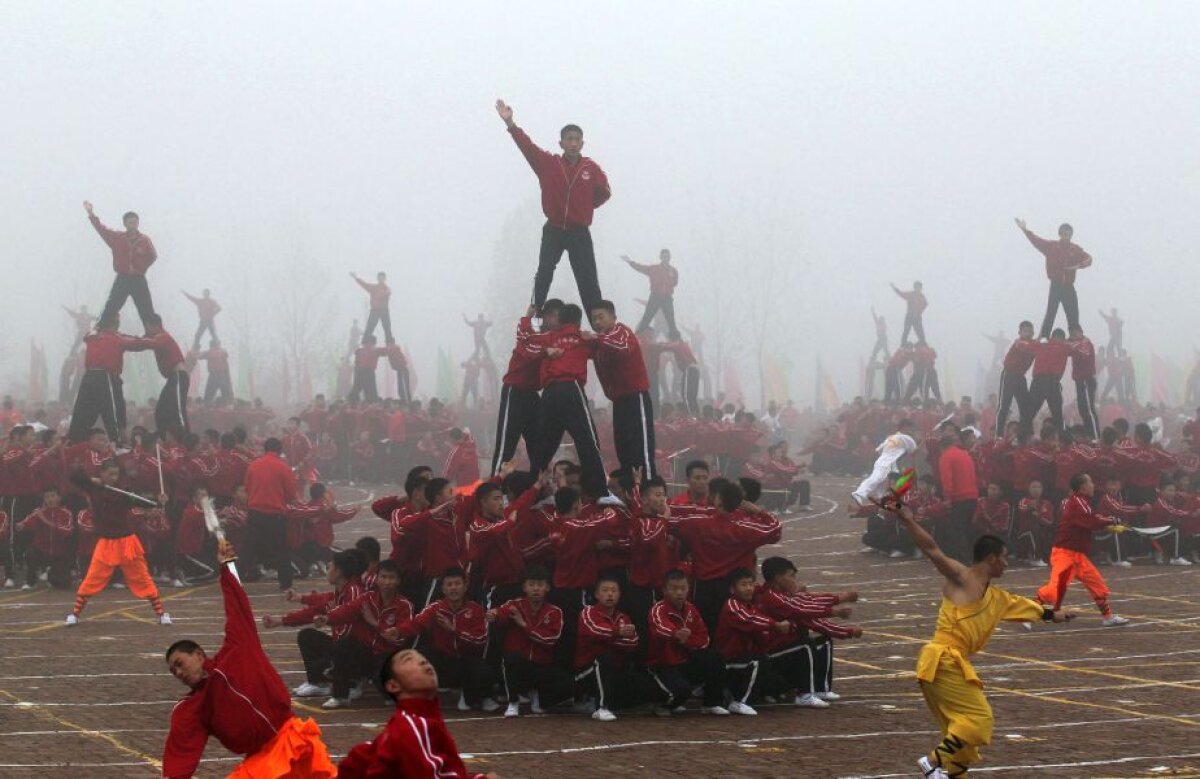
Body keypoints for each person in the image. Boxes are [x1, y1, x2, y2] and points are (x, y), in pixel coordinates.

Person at [892, 501, 1074, 779]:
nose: (1007, 563)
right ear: (991, 559)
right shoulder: (962, 578)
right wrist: (908, 520)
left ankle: (948, 770)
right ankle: (932, 762)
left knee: (962, 744)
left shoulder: (997, 596)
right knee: (979, 720)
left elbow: (1024, 607)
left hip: (947, 665)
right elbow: (932, 550)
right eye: (1004, 557)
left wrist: (1054, 616)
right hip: (942, 661)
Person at [162, 542, 336, 779]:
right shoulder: (191, 707)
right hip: (260, 761)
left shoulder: (237, 649)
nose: (178, 672)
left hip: (291, 741)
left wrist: (228, 566)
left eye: (180, 663)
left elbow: (237, 605)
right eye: (173, 671)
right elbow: (180, 753)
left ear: (199, 655)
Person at [496, 98, 611, 313]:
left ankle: (600, 325)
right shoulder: (548, 164)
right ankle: (536, 313)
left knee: (588, 278)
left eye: (577, 139)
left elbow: (605, 193)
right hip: (554, 229)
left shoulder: (591, 168)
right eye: (569, 139)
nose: (573, 143)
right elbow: (527, 147)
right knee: (545, 271)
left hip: (579, 232)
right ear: (561, 143)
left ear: (583, 143)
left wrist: (585, 207)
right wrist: (510, 124)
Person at [338, 649, 500, 779]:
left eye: (423, 658)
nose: (423, 661)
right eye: (408, 659)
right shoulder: (413, 726)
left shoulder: (412, 722)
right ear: (393, 685)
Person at [65, 462, 170, 625]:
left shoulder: (123, 491)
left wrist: (158, 500)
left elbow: (143, 502)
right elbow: (73, 474)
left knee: (142, 577)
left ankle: (161, 614)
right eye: (110, 474)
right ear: (102, 473)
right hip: (106, 543)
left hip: (127, 542)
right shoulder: (93, 487)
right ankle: (75, 615)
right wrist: (93, 479)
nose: (114, 478)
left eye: (116, 474)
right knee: (92, 578)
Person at [528, 303, 608, 499]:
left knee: (543, 448)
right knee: (588, 442)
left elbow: (526, 344)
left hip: (548, 394)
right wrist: (597, 336)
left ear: (560, 320)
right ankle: (600, 494)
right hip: (570, 388)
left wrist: (528, 318)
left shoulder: (547, 338)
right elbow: (608, 344)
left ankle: (532, 494)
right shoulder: (582, 337)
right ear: (578, 321)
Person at [1035, 474, 1130, 626]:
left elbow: (1091, 517)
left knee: (1096, 584)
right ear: (1083, 486)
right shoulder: (1078, 501)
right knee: (1054, 590)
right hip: (1064, 553)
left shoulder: (1081, 501)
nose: (1093, 485)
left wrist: (1109, 522)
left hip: (1077, 555)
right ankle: (1026, 613)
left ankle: (1108, 617)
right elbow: (1091, 521)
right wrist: (1111, 520)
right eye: (1090, 482)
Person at [486, 565, 574, 718]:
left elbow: (550, 639)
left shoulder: (555, 612)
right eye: (531, 585)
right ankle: (513, 702)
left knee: (569, 683)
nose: (535, 589)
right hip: (520, 667)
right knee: (510, 658)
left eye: (540, 585)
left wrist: (525, 626)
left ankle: (538, 697)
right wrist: (494, 614)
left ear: (547, 587)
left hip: (542, 667)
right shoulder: (515, 605)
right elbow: (501, 612)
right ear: (524, 587)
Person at [646, 569, 731, 716]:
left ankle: (711, 703)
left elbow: (704, 637)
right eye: (674, 588)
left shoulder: (691, 609)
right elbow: (660, 629)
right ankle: (662, 704)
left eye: (683, 588)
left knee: (714, 657)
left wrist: (686, 641)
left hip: (684, 660)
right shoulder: (658, 610)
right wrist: (676, 635)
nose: (679, 593)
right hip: (662, 665)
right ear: (664, 590)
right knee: (681, 692)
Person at [590, 300, 656, 478]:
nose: (596, 322)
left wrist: (596, 338)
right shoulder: (599, 342)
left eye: (601, 317)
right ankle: (630, 492)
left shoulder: (621, 332)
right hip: (619, 401)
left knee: (642, 449)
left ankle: (649, 488)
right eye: (593, 319)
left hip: (636, 397)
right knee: (623, 448)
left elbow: (622, 348)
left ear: (613, 317)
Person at [490, 303, 556, 476]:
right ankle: (496, 488)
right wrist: (527, 317)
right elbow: (528, 346)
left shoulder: (552, 338)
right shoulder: (529, 337)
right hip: (515, 391)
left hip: (533, 395)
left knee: (538, 443)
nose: (553, 320)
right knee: (507, 443)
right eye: (550, 315)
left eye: (556, 316)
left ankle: (540, 487)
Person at [66, 314, 153, 443]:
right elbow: (138, 343)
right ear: (115, 323)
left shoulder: (92, 336)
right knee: (112, 413)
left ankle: (73, 441)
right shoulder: (117, 338)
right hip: (105, 377)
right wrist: (153, 340)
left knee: (82, 411)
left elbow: (86, 335)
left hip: (89, 377)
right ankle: (119, 443)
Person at [1015, 218, 1094, 338]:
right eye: (1064, 233)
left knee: (1073, 314)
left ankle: (1076, 338)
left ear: (1071, 235)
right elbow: (1036, 241)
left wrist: (1079, 266)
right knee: (1051, 313)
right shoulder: (1051, 246)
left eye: (1068, 233)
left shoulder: (1075, 249)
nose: (1066, 235)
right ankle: (1044, 338)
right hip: (1056, 285)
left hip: (1068, 286)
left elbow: (1088, 259)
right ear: (1060, 234)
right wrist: (1025, 230)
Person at [85, 201, 158, 328]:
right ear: (125, 224)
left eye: (135, 222)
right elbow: (101, 229)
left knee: (146, 307)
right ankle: (100, 328)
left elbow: (152, 256)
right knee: (112, 304)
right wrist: (91, 214)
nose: (133, 225)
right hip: (123, 277)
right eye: (130, 223)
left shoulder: (144, 240)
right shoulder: (117, 238)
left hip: (138, 278)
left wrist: (141, 267)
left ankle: (154, 331)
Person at [242, 438, 300, 590]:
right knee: (281, 549)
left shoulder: (253, 466)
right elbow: (291, 494)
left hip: (255, 513)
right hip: (275, 515)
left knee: (248, 549)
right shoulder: (283, 467)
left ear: (264, 449)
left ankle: (237, 577)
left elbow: (247, 488)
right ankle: (285, 582)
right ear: (279, 451)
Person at [142, 314, 190, 437]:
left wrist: (137, 340)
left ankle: (185, 440)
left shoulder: (162, 336)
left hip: (179, 375)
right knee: (161, 410)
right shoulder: (158, 337)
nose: (146, 330)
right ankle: (164, 437)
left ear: (151, 325)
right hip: (172, 378)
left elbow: (150, 343)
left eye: (146, 327)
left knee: (178, 409)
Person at [851, 419, 917, 506]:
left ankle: (882, 501)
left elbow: (878, 450)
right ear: (905, 427)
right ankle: (859, 493)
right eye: (911, 428)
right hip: (888, 464)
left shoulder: (891, 438)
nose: (912, 431)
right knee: (877, 479)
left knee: (883, 484)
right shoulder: (908, 438)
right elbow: (914, 452)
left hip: (884, 462)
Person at [623, 249, 680, 339]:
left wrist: (667, 286)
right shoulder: (654, 269)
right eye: (664, 256)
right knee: (647, 317)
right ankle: (638, 336)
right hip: (655, 297)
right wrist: (630, 262)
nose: (665, 258)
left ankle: (676, 339)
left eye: (667, 256)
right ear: (661, 257)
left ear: (669, 258)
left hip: (667, 298)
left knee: (671, 321)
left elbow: (675, 282)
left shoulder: (673, 271)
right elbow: (641, 268)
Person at [995, 321, 1037, 437]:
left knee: (1025, 407)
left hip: (1020, 377)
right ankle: (998, 435)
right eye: (1025, 331)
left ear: (1033, 333)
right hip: (1009, 375)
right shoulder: (1019, 343)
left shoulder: (1034, 344)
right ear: (1020, 333)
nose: (1028, 334)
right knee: (1004, 406)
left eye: (1030, 332)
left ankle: (1026, 435)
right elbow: (1030, 348)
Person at [1026, 329, 1070, 432]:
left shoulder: (1042, 344)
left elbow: (1027, 347)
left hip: (1038, 381)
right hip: (1053, 382)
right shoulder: (1064, 347)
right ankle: (1063, 440)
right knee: (1057, 415)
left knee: (1029, 413)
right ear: (1062, 338)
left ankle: (1022, 439)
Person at [1066, 324, 1100, 440]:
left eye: (1075, 334)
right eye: (1071, 334)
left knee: (1088, 409)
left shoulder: (1085, 343)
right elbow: (1068, 350)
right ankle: (1090, 435)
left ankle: (1096, 438)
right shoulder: (1077, 344)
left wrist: (1066, 342)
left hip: (1086, 380)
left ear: (1081, 332)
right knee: (1083, 409)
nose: (1073, 336)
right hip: (1080, 381)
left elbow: (1073, 349)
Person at [351, 271, 393, 344]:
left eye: (382, 278)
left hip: (384, 310)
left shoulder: (386, 288)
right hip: (375, 310)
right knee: (370, 326)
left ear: (384, 279)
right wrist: (356, 278)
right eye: (379, 278)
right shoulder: (373, 288)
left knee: (387, 327)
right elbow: (364, 284)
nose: (380, 279)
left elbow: (388, 292)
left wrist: (383, 293)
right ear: (378, 279)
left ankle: (389, 342)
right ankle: (365, 341)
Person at [348, 335, 385, 404]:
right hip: (363, 372)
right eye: (368, 342)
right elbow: (357, 363)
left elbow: (385, 352)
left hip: (367, 372)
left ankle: (369, 404)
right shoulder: (362, 350)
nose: (369, 344)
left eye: (371, 343)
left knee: (368, 391)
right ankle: (354, 403)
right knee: (359, 390)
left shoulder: (375, 350)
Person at [198, 339, 233, 405]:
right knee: (227, 396)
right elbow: (226, 356)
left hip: (214, 375)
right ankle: (228, 405)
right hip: (223, 376)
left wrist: (196, 348)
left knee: (208, 397)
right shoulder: (223, 351)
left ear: (211, 345)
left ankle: (207, 406)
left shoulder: (210, 352)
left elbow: (198, 355)